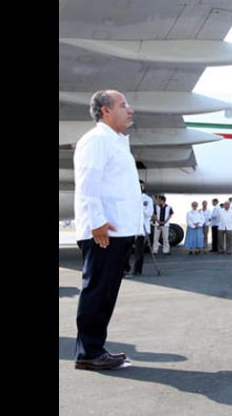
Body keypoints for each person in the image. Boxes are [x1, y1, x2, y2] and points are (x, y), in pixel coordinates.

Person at [73, 90, 141, 370]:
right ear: (105, 111)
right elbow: (88, 183)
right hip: (105, 231)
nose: (130, 110)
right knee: (97, 291)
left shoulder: (116, 142)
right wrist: (97, 222)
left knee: (106, 294)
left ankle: (95, 347)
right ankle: (88, 352)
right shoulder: (97, 140)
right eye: (123, 105)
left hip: (119, 230)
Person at [125, 179, 154, 276]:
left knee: (139, 251)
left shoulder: (147, 199)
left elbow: (149, 213)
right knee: (126, 250)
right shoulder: (129, 198)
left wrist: (139, 208)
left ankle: (137, 269)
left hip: (142, 229)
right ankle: (125, 268)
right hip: (130, 228)